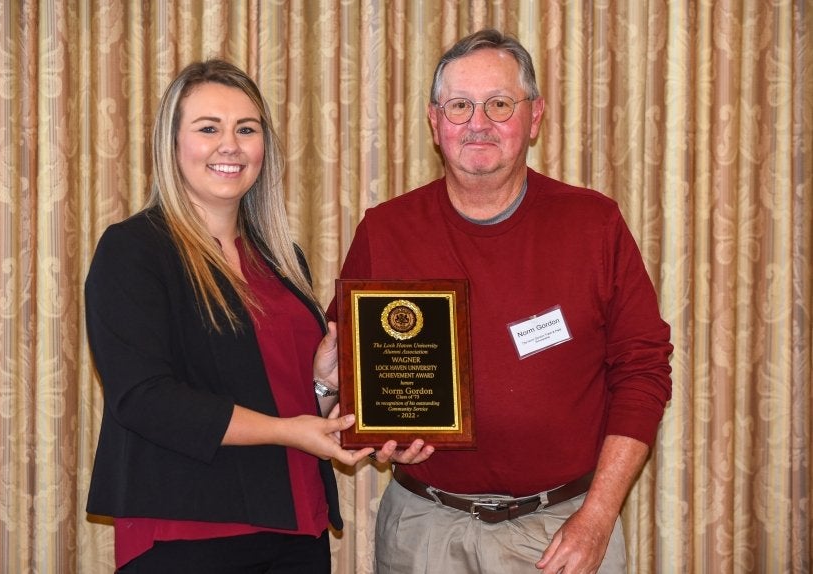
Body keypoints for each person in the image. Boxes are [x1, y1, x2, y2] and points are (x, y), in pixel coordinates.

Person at [334, 29, 673, 573]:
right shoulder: (385, 230)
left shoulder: (594, 224)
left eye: (499, 104)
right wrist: (376, 429)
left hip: (560, 529)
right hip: (423, 531)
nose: (478, 123)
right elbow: (352, 365)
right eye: (460, 105)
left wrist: (598, 515)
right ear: (434, 119)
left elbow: (643, 371)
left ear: (534, 117)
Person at [84, 59, 373, 573]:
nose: (230, 146)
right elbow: (145, 399)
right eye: (208, 128)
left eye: (247, 129)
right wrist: (288, 432)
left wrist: (322, 387)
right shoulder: (135, 250)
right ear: (173, 145)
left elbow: (274, 392)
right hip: (187, 530)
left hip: (295, 525)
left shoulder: (283, 258)